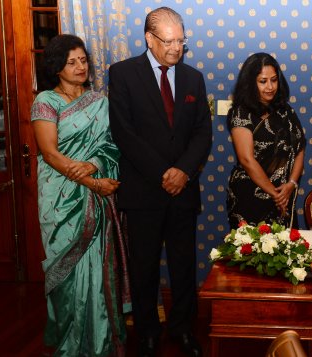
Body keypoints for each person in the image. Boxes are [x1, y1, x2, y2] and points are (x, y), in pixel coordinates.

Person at [108, 7, 212, 357]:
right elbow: (125, 132)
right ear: (149, 39)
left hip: (183, 191)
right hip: (143, 191)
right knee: (144, 268)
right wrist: (162, 174)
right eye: (168, 41)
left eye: (181, 40)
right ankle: (148, 334)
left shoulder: (193, 79)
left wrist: (182, 171)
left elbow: (202, 133)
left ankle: (184, 330)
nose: (176, 48)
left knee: (184, 266)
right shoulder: (122, 74)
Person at [31, 34, 129, 356]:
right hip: (61, 198)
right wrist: (92, 183)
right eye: (71, 62)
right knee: (66, 275)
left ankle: (100, 341)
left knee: (97, 270)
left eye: (83, 60)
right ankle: (68, 343)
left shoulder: (100, 102)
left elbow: (111, 146)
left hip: (96, 197)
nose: (80, 67)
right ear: (57, 67)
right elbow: (49, 153)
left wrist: (93, 165)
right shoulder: (45, 101)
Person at [226, 52, 306, 229]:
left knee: (287, 253)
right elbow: (246, 160)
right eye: (263, 81)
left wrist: (290, 185)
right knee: (251, 254)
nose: (270, 86)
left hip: (284, 196)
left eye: (274, 80)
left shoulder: (286, 111)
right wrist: (275, 194)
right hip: (251, 198)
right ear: (250, 83)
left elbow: (300, 149)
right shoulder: (241, 113)